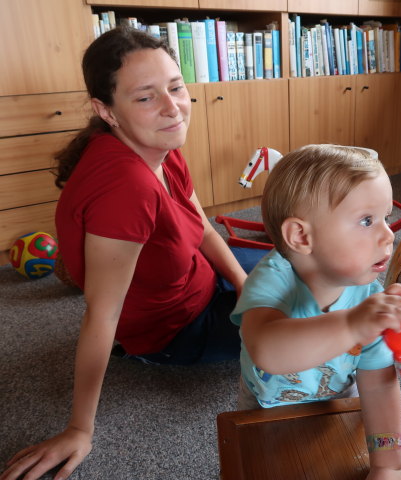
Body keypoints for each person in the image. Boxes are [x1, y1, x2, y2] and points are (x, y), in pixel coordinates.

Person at [1, 27, 248, 480]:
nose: (172, 107)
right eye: (145, 97)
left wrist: (245, 287)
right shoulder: (126, 188)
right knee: (311, 306)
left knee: (294, 266)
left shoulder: (159, 144)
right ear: (106, 111)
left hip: (200, 281)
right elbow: (102, 313)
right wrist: (79, 428)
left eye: (175, 87)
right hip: (176, 331)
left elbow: (203, 227)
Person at [232, 144, 401, 479]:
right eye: (367, 221)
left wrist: (388, 464)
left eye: (386, 218)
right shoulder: (272, 280)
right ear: (301, 236)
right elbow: (267, 350)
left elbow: (379, 386)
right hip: (266, 410)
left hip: (340, 402)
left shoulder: (367, 295)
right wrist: (352, 325)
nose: (387, 234)